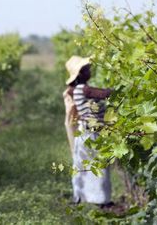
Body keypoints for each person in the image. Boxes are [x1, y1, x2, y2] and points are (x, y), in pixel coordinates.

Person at [64, 56, 113, 207]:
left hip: (85, 133)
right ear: (80, 74)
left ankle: (80, 197)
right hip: (91, 133)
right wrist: (124, 89)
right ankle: (102, 201)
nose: (89, 71)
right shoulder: (84, 89)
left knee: (83, 166)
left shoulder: (76, 90)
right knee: (99, 165)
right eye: (86, 69)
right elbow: (103, 94)